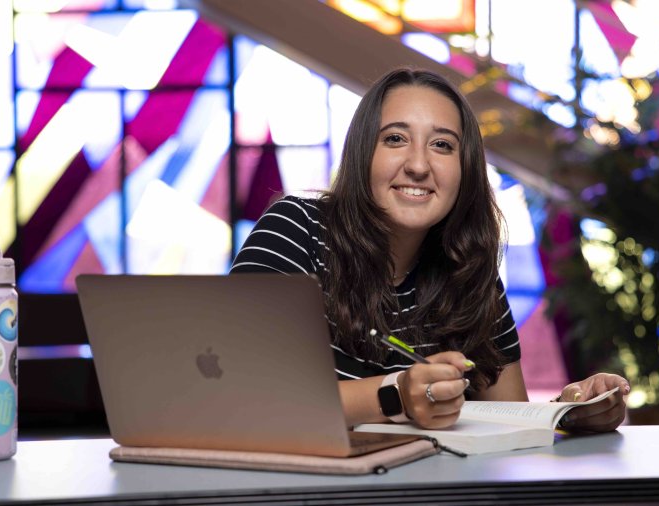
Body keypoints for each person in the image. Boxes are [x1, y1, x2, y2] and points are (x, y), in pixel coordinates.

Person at [230, 68, 629, 432]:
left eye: (441, 144)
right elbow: (238, 398)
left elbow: (512, 425)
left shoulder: (469, 270)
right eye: (395, 139)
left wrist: (569, 412)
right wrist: (395, 394)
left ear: (465, 169)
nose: (418, 165)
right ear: (362, 153)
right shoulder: (297, 229)